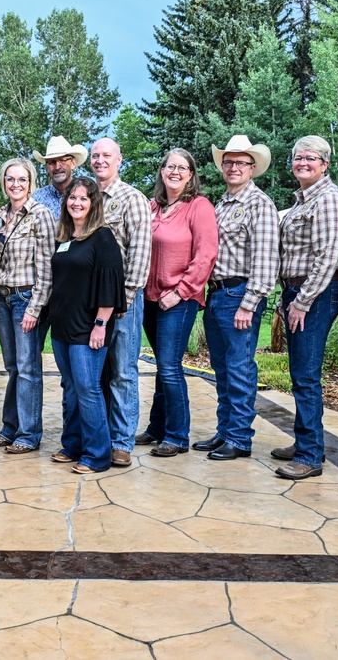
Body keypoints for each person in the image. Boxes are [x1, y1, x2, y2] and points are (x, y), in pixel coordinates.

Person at [194, 136, 279, 461]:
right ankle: (225, 430)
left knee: (240, 367)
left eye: (240, 163)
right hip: (216, 295)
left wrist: (250, 301)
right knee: (222, 368)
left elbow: (267, 259)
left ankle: (240, 438)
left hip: (239, 294)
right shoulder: (221, 204)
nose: (233, 167)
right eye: (228, 162)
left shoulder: (260, 205)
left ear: (252, 168)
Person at [271, 136, 338, 475]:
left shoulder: (329, 200)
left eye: (310, 158)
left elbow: (328, 258)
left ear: (325, 163)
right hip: (298, 291)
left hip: (315, 294)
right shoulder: (304, 200)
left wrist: (302, 300)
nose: (302, 162)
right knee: (299, 371)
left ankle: (310, 455)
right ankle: (305, 440)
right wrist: (285, 297)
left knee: (306, 375)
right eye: (298, 157)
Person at [143, 149, 218, 458]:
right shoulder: (152, 207)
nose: (175, 171)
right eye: (169, 166)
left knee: (171, 367)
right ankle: (156, 428)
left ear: (190, 175)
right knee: (163, 366)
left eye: (182, 167)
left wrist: (182, 291)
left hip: (177, 299)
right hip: (148, 298)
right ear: (162, 171)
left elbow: (206, 254)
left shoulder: (198, 207)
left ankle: (177, 435)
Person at [48, 177, 125, 474]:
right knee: (71, 388)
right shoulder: (65, 237)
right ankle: (73, 445)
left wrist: (100, 324)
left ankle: (97, 455)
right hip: (63, 325)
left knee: (88, 388)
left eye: (83, 198)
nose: (76, 203)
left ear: (93, 203)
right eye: (72, 198)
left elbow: (110, 285)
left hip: (88, 327)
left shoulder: (103, 237)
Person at [91, 138, 151, 467]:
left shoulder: (132, 200)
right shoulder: (85, 197)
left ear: (119, 159)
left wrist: (123, 300)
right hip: (90, 304)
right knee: (94, 375)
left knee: (123, 373)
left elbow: (140, 257)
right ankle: (98, 436)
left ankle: (122, 441)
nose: (100, 160)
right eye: (95, 156)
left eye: (106, 155)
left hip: (122, 303)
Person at [0, 158, 55, 454]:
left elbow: (47, 268)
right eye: (10, 179)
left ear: (31, 183)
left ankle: (29, 433)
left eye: (22, 180)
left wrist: (35, 308)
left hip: (26, 297)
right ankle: (10, 427)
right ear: (4, 182)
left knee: (28, 367)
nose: (16, 185)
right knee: (12, 366)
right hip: (2, 298)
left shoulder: (41, 215)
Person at [32, 136, 87, 219]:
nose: (57, 167)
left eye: (62, 160)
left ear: (73, 163)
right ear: (47, 167)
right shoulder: (36, 199)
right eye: (52, 162)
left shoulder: (86, 195)